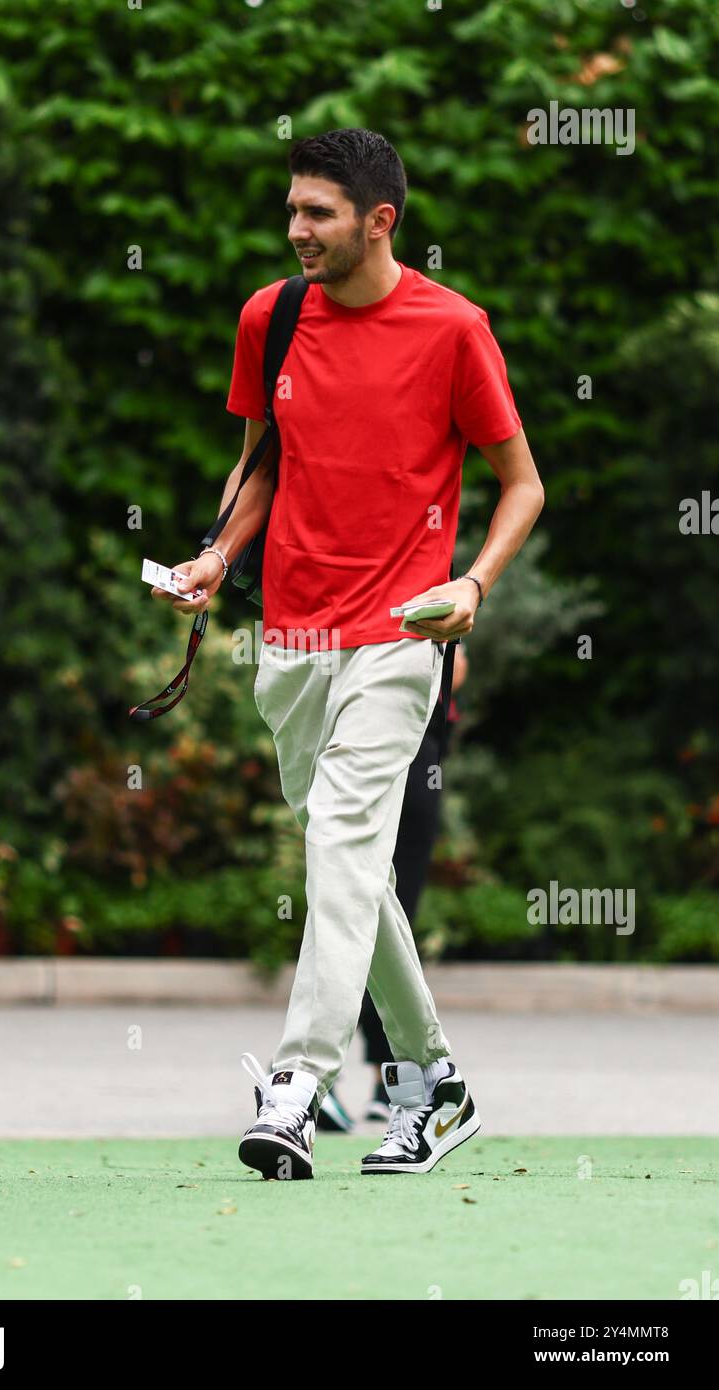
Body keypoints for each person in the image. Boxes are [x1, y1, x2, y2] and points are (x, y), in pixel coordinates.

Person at [152, 128, 544, 1179]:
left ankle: (294, 1084)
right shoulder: (270, 317)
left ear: (381, 221)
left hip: (400, 631)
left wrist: (470, 584)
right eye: (291, 210)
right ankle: (436, 1084)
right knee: (350, 870)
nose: (295, 230)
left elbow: (521, 483)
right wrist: (212, 555)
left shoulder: (454, 330)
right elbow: (257, 470)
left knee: (339, 841)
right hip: (291, 637)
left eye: (316, 213)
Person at [318, 644, 468, 1132]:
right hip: (348, 749)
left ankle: (397, 1078)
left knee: (391, 910)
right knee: (346, 904)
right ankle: (328, 1080)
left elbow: (457, 665)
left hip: (413, 751)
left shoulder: (433, 582)